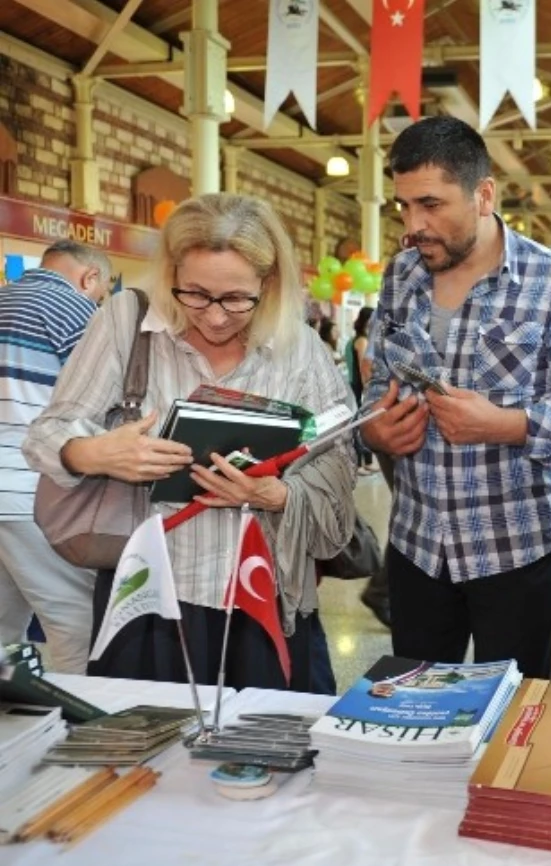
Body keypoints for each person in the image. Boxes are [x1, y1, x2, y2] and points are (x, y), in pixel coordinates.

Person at [24, 193, 355, 693]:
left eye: (236, 299)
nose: (216, 317)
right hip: (150, 598)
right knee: (148, 753)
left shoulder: (298, 346)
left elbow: (338, 462)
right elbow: (47, 433)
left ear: (268, 284)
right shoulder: (127, 322)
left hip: (263, 599)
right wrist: (97, 452)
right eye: (195, 294)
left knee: (264, 756)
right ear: (171, 273)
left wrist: (275, 495)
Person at [360, 116, 551, 679]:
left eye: (430, 204)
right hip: (417, 543)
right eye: (402, 207)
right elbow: (380, 386)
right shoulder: (402, 275)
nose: (412, 226)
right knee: (415, 705)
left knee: (513, 722)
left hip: (514, 547)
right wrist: (377, 428)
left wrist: (507, 425)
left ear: (484, 196)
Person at [0, 240, 111, 673]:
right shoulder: (77, 312)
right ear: (91, 278)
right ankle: (75, 733)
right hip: (31, 490)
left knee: (4, 630)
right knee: (76, 623)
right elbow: (101, 405)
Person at [346, 306, 378, 476]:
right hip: (360, 387)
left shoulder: (354, 340)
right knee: (360, 426)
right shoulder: (363, 341)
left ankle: (364, 462)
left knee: (356, 424)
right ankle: (361, 464)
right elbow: (364, 367)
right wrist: (369, 388)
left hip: (353, 385)